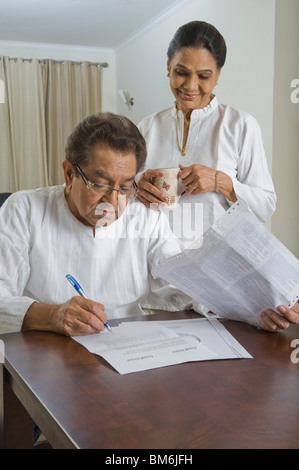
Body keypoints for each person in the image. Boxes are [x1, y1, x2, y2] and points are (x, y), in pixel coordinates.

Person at [0, 113, 296, 335]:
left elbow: (188, 284)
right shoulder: (24, 210)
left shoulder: (144, 215)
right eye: (99, 184)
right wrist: (52, 316)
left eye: (126, 186)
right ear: (68, 174)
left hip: (125, 351)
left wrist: (255, 307)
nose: (113, 202)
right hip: (46, 356)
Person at [137, 20, 276, 245]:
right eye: (181, 72)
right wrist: (136, 187)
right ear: (168, 64)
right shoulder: (146, 128)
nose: (191, 86)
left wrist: (222, 182)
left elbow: (265, 207)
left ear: (218, 75)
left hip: (219, 267)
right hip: (156, 265)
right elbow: (120, 196)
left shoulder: (240, 125)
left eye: (203, 76)